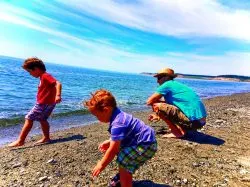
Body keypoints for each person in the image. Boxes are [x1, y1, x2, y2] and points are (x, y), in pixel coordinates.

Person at [84, 89, 157, 187]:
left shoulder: (118, 123)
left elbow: (113, 150)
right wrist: (110, 141)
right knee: (124, 155)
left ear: (106, 110)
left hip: (145, 146)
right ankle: (125, 173)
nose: (97, 119)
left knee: (123, 159)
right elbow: (124, 135)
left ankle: (125, 181)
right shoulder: (118, 114)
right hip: (145, 141)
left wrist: (101, 165)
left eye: (97, 116)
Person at [8, 57, 62, 147]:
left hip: (44, 103)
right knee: (42, 119)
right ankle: (46, 138)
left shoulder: (45, 76)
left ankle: (20, 141)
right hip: (48, 103)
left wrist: (58, 95)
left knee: (29, 118)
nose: (30, 74)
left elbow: (58, 83)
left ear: (36, 69)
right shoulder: (42, 77)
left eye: (30, 71)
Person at [147, 67, 207, 138]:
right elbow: (173, 105)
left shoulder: (167, 84)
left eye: (159, 78)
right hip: (200, 122)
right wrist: (158, 115)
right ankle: (181, 129)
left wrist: (158, 110)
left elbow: (149, 101)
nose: (157, 81)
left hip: (194, 123)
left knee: (156, 105)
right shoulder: (176, 85)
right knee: (161, 105)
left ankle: (177, 132)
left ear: (166, 77)